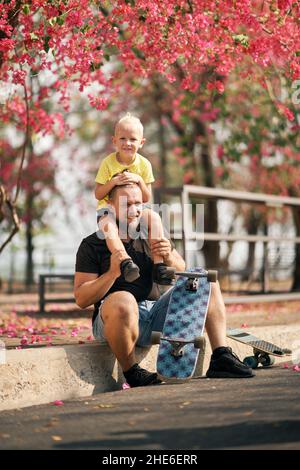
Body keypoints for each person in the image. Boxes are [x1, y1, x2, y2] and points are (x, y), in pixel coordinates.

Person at [74, 183, 254, 388]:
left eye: (138, 203)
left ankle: (221, 356)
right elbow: (81, 298)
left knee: (204, 281)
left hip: (156, 313)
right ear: (110, 205)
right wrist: (112, 274)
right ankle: (131, 371)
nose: (134, 210)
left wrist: (168, 255)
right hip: (116, 319)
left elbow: (181, 269)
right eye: (126, 204)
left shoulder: (151, 233)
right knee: (124, 299)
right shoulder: (92, 244)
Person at [94, 113, 173, 285]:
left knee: (155, 217)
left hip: (135, 210)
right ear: (114, 141)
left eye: (132, 139)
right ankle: (124, 261)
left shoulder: (144, 165)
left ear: (141, 142)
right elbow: (98, 194)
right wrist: (114, 181)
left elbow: (146, 197)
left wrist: (139, 180)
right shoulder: (108, 163)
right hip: (110, 208)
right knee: (108, 225)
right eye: (122, 138)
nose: (127, 143)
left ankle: (158, 264)